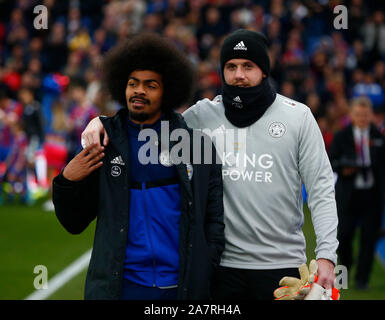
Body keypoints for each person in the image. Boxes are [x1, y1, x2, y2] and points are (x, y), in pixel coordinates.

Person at [81, 29, 339, 300]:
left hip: (282, 267)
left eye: (248, 66)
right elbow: (148, 125)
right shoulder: (201, 117)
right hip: (220, 270)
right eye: (231, 66)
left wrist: (326, 257)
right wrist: (104, 121)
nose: (239, 74)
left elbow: (321, 190)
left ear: (264, 71)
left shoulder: (298, 118)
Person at [52, 33, 225, 300]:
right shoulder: (103, 142)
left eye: (150, 85)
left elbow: (213, 220)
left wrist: (204, 267)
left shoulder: (196, 146)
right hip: (122, 288)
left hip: (179, 289)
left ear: (166, 91)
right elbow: (73, 222)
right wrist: (67, 181)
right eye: (133, 84)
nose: (139, 91)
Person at [329, 96, 385, 290]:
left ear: (371, 115)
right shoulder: (341, 136)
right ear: (351, 115)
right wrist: (344, 168)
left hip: (372, 197)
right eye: (358, 114)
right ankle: (342, 279)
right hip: (348, 196)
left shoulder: (378, 136)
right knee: (343, 237)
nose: (362, 118)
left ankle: (362, 281)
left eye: (365, 114)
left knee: (368, 240)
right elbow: (331, 162)